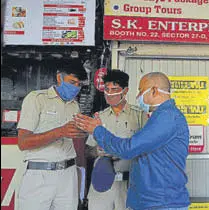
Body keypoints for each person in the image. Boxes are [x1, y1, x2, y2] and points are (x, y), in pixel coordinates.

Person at [74, 72, 191, 210]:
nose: (138, 96)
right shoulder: (160, 116)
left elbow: (129, 148)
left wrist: (97, 130)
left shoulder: (167, 118)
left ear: (154, 90)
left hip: (162, 202)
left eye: (141, 91)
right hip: (149, 199)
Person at [16, 62, 87, 210]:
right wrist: (59, 132)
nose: (76, 88)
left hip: (69, 174)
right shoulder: (36, 99)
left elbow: (77, 145)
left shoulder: (75, 105)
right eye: (72, 82)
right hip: (40, 175)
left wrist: (81, 179)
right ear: (59, 78)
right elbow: (23, 142)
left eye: (79, 85)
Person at [86, 70, 147, 210]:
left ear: (125, 91)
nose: (109, 94)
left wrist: (124, 151)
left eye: (114, 89)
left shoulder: (139, 116)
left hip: (129, 184)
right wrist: (96, 151)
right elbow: (87, 151)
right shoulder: (98, 118)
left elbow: (147, 149)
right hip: (101, 184)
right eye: (107, 89)